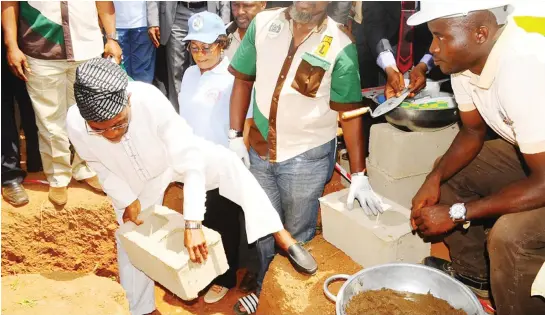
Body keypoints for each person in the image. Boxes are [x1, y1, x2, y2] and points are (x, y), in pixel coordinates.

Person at [67, 58, 317, 315]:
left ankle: (280, 234)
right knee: (129, 242)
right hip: (136, 184)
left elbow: (191, 163)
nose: (111, 134)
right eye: (99, 129)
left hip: (172, 159)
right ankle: (141, 310)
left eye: (119, 124)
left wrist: (193, 223)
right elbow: (101, 167)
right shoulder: (75, 123)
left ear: (128, 99)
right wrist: (127, 198)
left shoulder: (148, 99)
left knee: (228, 163)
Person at [228, 2, 384, 313]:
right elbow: (244, 80)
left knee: (298, 236)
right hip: (259, 150)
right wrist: (234, 137)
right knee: (264, 229)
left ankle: (289, 301)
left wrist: (359, 175)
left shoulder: (340, 45)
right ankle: (264, 292)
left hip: (306, 158)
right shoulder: (263, 24)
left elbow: (351, 114)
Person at [407, 2, 545, 314]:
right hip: (537, 158)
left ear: (481, 33)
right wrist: (434, 179)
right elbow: (472, 134)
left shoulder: (525, 67)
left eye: (441, 37)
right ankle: (474, 276)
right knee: (449, 172)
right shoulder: (465, 64)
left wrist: (456, 213)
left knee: (511, 237)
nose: (432, 49)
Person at [1, 1, 122, 205]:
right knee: (50, 121)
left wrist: (111, 38)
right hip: (41, 51)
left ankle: (85, 168)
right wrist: (11, 45)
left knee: (88, 116)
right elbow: (8, 3)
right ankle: (58, 176)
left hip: (87, 48)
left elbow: (104, 3)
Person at [177, 11, 247, 304]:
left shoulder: (233, 77)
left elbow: (245, 118)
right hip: (192, 163)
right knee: (200, 220)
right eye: (194, 47)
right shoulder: (190, 74)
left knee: (223, 222)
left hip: (220, 165)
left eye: (207, 47)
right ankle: (206, 270)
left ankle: (225, 277)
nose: (200, 54)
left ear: (222, 44)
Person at [225, 0, 266, 294]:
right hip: (231, 134)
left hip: (262, 137)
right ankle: (238, 262)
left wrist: (248, 131)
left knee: (257, 202)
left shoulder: (277, 37)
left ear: (263, 4)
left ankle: (256, 269)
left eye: (248, 5)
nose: (240, 11)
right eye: (235, 4)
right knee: (232, 202)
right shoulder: (221, 37)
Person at [146, 1, 230, 112]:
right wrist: (153, 20)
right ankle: (180, 115)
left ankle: (209, 111)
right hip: (176, 14)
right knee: (176, 71)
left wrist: (223, 21)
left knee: (210, 65)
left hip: (207, 11)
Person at [362, 1, 437, 98]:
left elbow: (447, 30)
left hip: (431, 52)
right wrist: (390, 68)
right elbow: (374, 26)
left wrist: (424, 65)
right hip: (389, 51)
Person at [1, 31, 42, 206]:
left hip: (29, 33)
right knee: (3, 107)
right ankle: (9, 176)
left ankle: (37, 161)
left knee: (32, 100)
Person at [113, 1, 156, 83]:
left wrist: (153, 22)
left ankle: (142, 95)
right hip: (115, 25)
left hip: (142, 23)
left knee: (143, 76)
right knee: (118, 73)